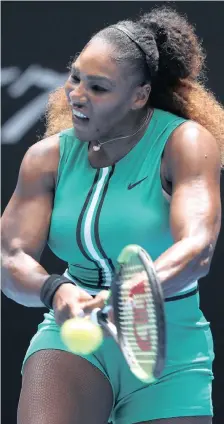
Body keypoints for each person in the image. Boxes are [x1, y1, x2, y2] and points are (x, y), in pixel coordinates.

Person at [1, 6, 223, 424]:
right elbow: (10, 258)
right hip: (75, 337)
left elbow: (198, 247)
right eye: (75, 77)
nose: (76, 94)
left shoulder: (186, 142)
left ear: (139, 95)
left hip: (168, 343)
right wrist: (55, 290)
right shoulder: (46, 158)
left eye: (98, 87)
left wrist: (135, 291)